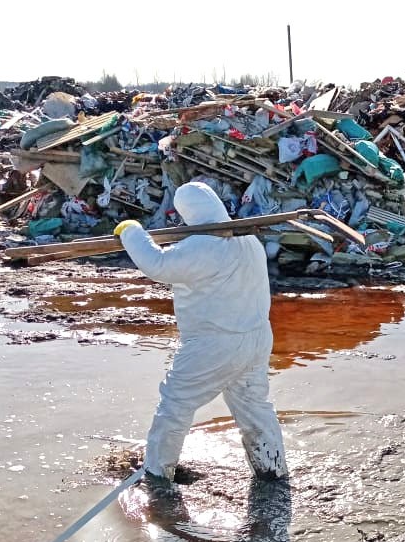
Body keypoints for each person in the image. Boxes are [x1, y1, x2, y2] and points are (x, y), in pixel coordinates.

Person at [114, 181, 286, 484]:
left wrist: (131, 231)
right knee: (255, 408)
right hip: (257, 337)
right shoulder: (248, 241)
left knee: (175, 405)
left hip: (215, 343)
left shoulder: (201, 246)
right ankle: (273, 471)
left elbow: (157, 264)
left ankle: (157, 475)